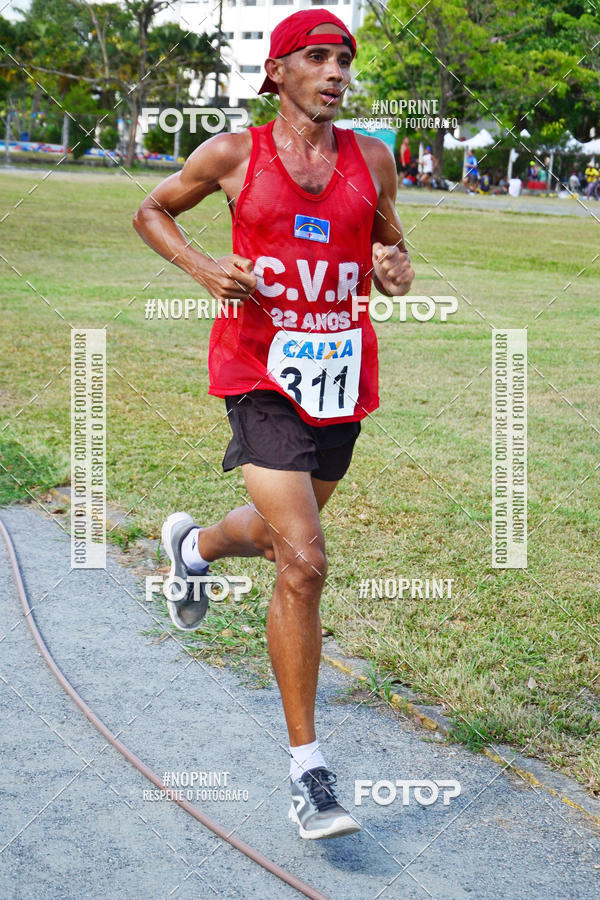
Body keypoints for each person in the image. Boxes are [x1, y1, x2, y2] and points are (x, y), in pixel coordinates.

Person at [133, 8, 414, 841]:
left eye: (343, 61)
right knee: (305, 559)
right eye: (317, 58)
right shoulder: (232, 154)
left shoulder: (372, 158)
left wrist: (395, 268)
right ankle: (309, 773)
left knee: (279, 536)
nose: (335, 73)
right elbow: (152, 210)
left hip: (341, 379)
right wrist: (201, 263)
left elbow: (393, 256)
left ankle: (193, 547)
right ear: (279, 72)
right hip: (258, 376)